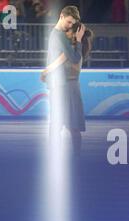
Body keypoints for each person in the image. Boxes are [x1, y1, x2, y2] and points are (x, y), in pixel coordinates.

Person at [44, 5, 86, 154]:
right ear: (61, 16)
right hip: (62, 85)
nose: (70, 26)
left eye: (72, 24)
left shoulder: (55, 34)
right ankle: (71, 155)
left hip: (58, 84)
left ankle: (57, 154)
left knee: (58, 123)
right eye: (68, 22)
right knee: (68, 123)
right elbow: (75, 58)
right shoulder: (59, 35)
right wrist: (79, 41)